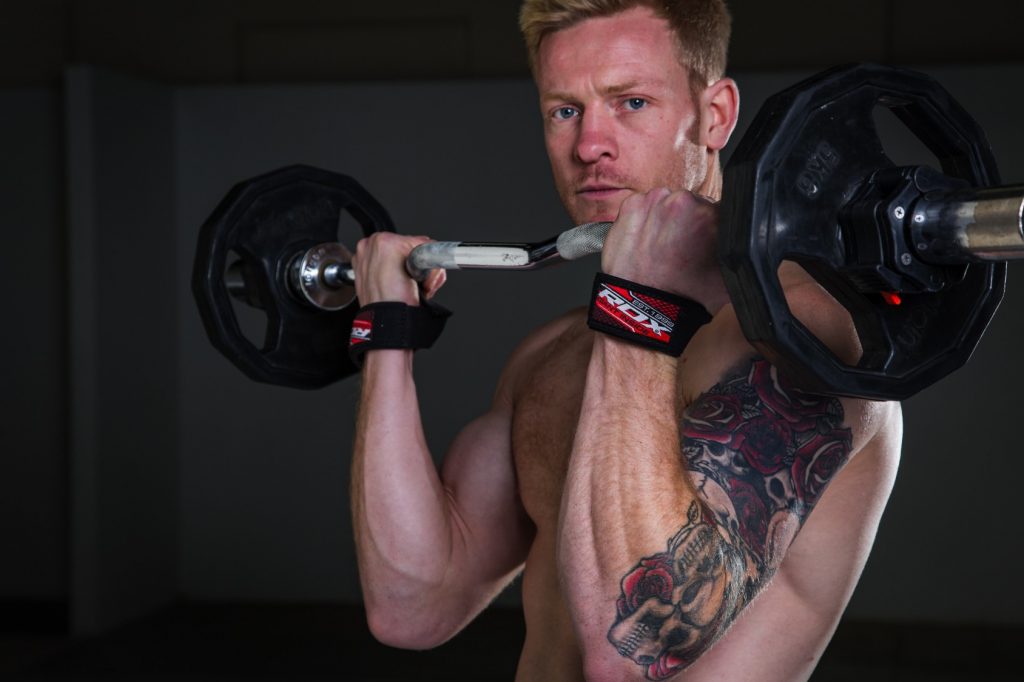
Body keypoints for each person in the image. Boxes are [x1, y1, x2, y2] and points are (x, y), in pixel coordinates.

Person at [349, 0, 902, 679]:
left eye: (631, 101)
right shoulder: (551, 357)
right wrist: (387, 334)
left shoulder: (809, 343)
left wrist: (634, 302)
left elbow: (631, 654)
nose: (589, 146)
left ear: (715, 115)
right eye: (564, 111)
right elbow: (412, 606)